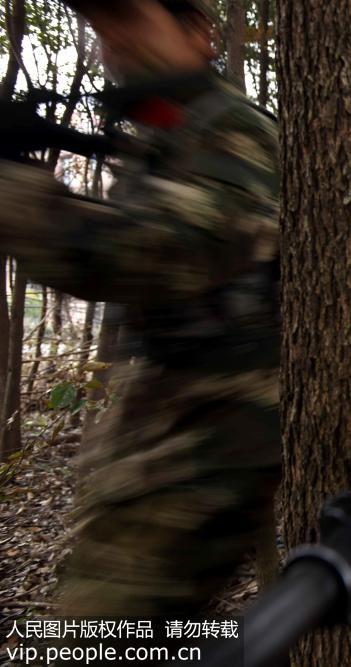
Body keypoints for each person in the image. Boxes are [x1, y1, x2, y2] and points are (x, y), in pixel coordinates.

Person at [0, 0, 280, 616]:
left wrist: (13, 188)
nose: (114, 42)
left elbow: (161, 252)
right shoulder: (165, 135)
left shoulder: (236, 129)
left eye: (130, 18)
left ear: (199, 33)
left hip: (216, 446)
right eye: (102, 26)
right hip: (169, 443)